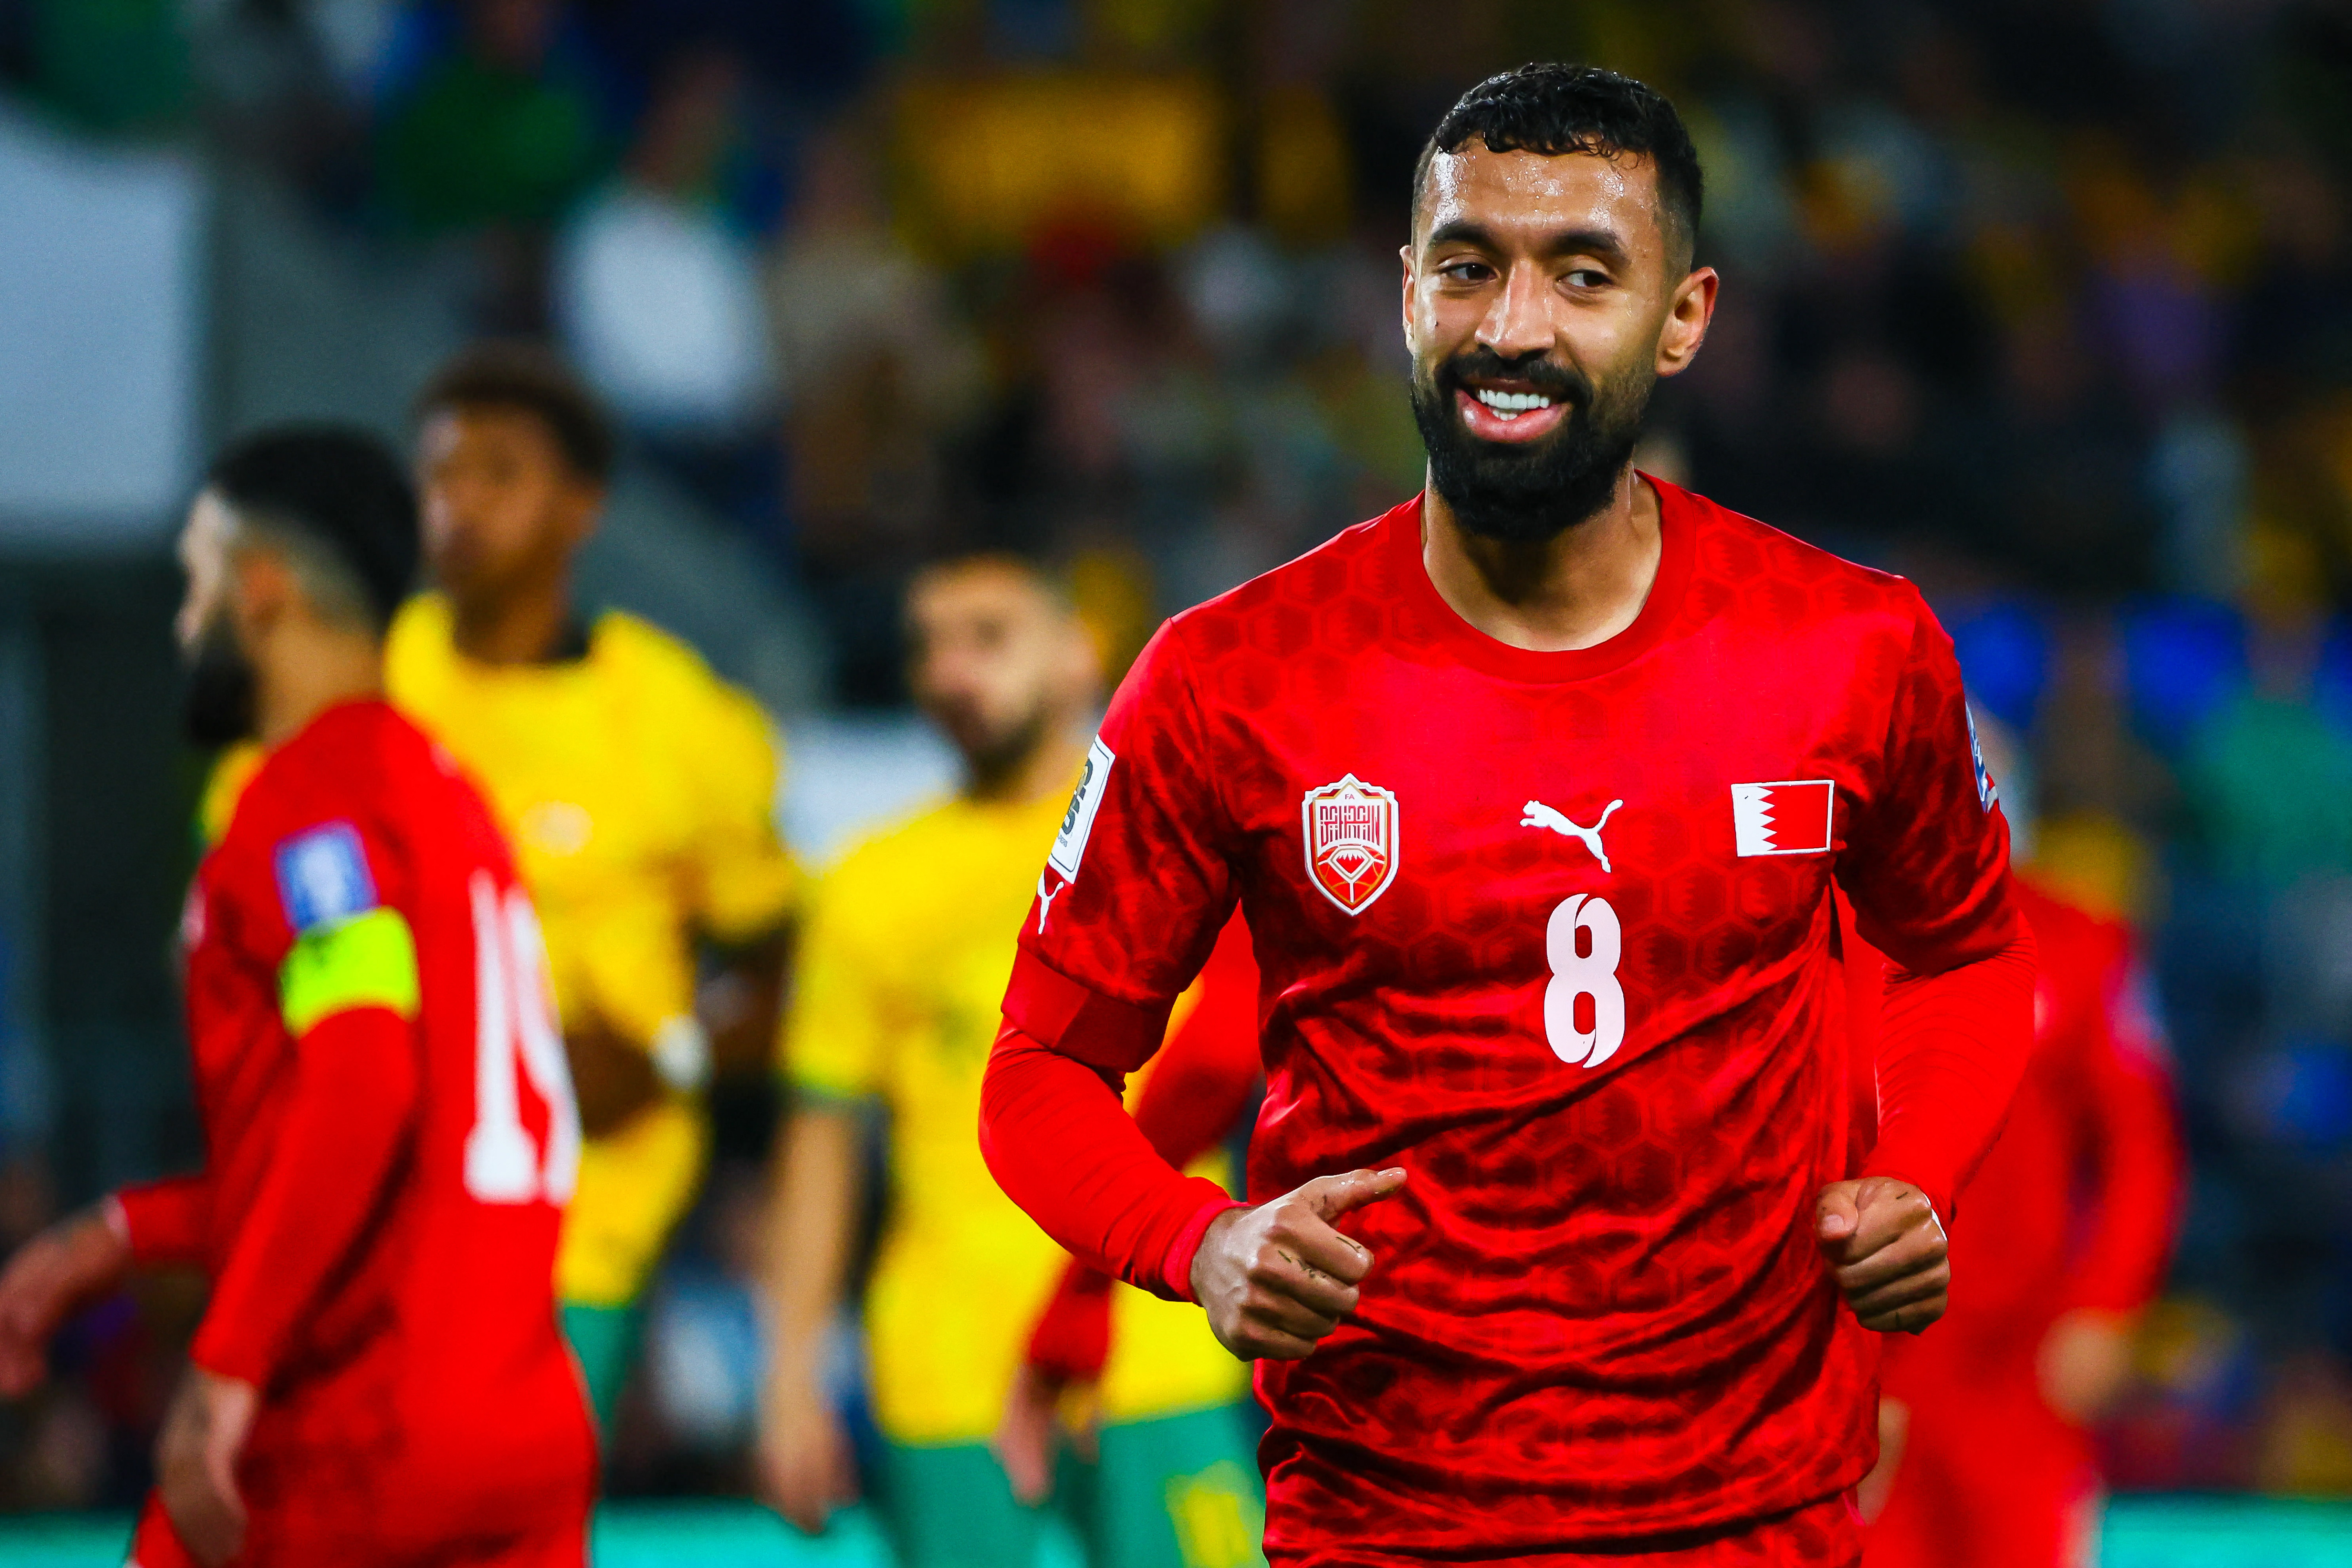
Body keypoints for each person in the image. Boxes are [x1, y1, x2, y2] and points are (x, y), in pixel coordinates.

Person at [976, 63, 2039, 1568]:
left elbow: (1970, 956)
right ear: (1405, 293)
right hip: (1382, 1522)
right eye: (1469, 266)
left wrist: (1919, 1175)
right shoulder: (1227, 677)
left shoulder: (1853, 645)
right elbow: (1038, 1072)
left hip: (1757, 1518)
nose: (1513, 327)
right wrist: (1195, 1242)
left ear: (1687, 318)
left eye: (1583, 275)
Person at [0, 428, 593, 1566]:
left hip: (360, 1419)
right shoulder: (449, 803)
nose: (188, 621)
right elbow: (390, 1145)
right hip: (521, 1419)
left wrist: (226, 1365)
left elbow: (365, 1072)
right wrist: (118, 1238)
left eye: (197, 582)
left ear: (259, 585)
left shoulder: (310, 806)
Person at [198, 344, 802, 1426]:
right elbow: (249, 911)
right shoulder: (346, 689)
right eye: (441, 476)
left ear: (582, 507)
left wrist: (670, 1053)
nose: (460, 505)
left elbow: (776, 961)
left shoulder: (681, 722)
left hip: (580, 1236)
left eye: (499, 475)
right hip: (368, 1224)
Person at [759, 557, 1266, 1568]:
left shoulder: (1175, 836)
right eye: (928, 646)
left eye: (987, 636)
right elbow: (819, 1149)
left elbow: (1223, 1070)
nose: (950, 671)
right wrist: (787, 1379)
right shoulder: (870, 884)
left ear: (1079, 648)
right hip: (947, 1372)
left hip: (1158, 1344)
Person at [1860, 732, 2181, 1568]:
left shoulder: (2079, 942)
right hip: (1864, 1368)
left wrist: (2106, 1304)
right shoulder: (1823, 944)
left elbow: (2140, 1147)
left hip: (2018, 1372)